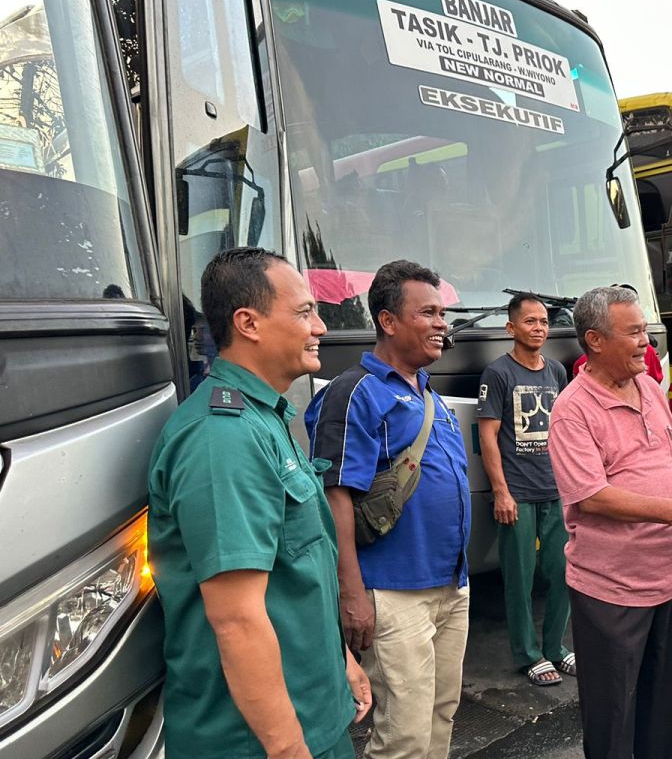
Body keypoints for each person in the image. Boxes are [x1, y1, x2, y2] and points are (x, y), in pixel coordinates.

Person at [148, 247, 370, 759]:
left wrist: (341, 663)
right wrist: (289, 748)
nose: (321, 327)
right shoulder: (221, 439)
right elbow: (237, 618)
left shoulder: (265, 416)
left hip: (315, 711)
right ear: (248, 323)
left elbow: (300, 571)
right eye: (304, 312)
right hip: (258, 740)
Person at [547, 285, 672, 759]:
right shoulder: (572, 410)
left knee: (668, 705)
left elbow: (668, 462)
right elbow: (590, 497)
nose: (646, 342)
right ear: (596, 340)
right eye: (633, 333)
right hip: (613, 589)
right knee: (613, 716)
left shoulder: (649, 386)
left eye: (645, 330)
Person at [307, 260, 471, 759]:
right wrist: (351, 594)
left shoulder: (428, 394)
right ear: (388, 321)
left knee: (441, 712)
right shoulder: (355, 392)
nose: (442, 323)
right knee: (402, 734)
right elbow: (335, 495)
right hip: (394, 594)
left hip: (450, 587)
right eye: (428, 312)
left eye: (443, 312)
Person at [477, 293, 573, 686]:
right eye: (530, 321)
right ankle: (528, 654)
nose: (539, 328)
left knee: (563, 571)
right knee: (520, 579)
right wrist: (501, 492)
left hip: (554, 491)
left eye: (544, 322)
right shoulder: (497, 374)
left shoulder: (556, 372)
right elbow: (488, 437)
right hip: (517, 494)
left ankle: (556, 647)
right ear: (511, 328)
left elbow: (566, 433)